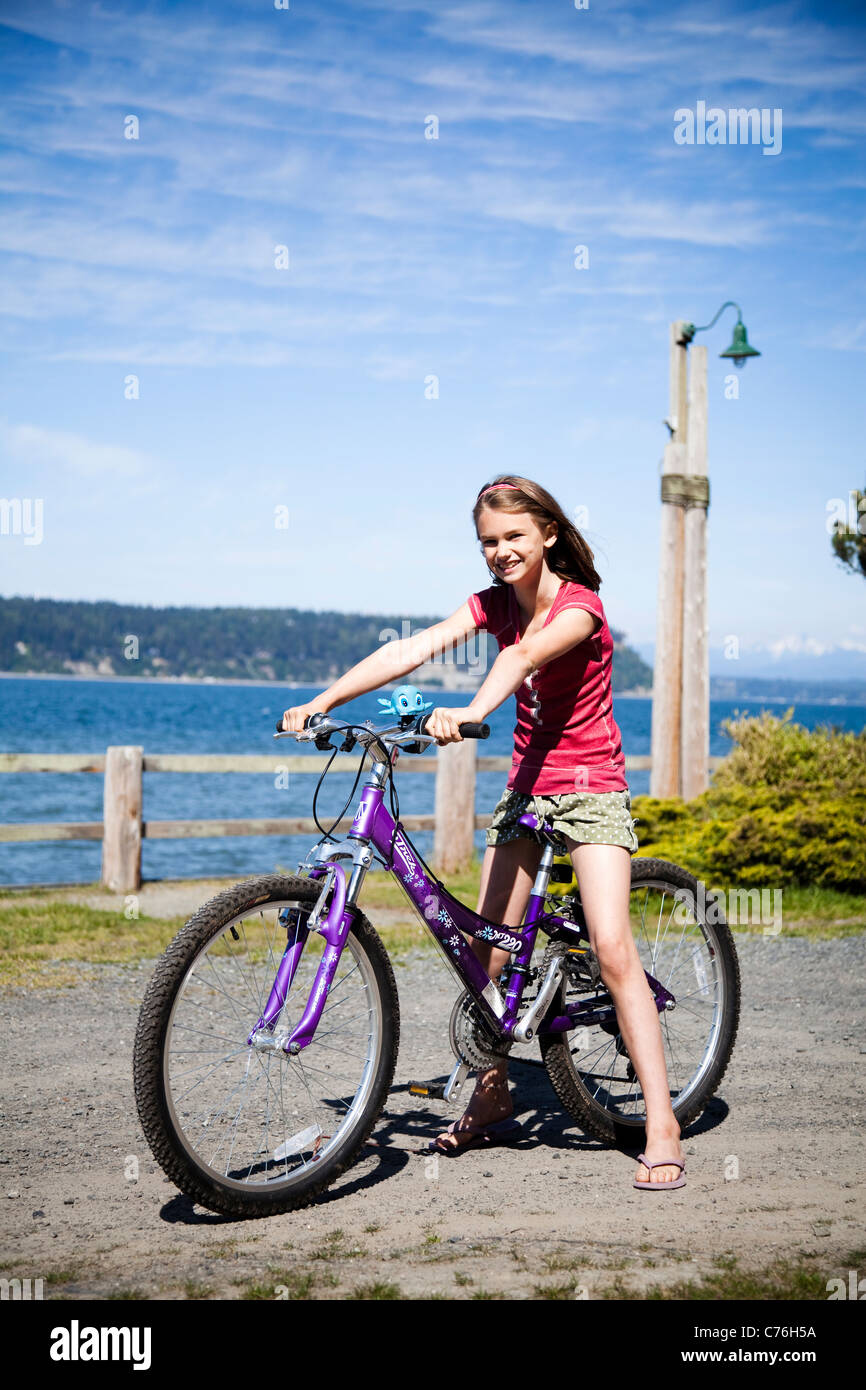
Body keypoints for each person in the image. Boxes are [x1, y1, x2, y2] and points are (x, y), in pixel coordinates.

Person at [281, 474, 685, 1189]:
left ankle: (660, 1121)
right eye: (488, 542)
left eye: (513, 538)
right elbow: (414, 648)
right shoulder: (495, 602)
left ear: (549, 534)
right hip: (528, 785)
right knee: (486, 954)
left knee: (615, 947)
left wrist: (468, 714)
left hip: (591, 787)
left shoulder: (581, 608)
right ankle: (492, 1091)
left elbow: (521, 658)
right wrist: (323, 700)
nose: (499, 552)